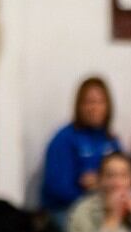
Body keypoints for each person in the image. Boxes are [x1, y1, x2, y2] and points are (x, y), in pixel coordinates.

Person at [42, 76, 123, 222]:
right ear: (79, 105)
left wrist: (100, 184)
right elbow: (57, 188)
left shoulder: (111, 140)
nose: (94, 108)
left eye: (100, 102)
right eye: (89, 102)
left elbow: (124, 176)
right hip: (67, 209)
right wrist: (90, 193)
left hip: (104, 205)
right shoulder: (64, 139)